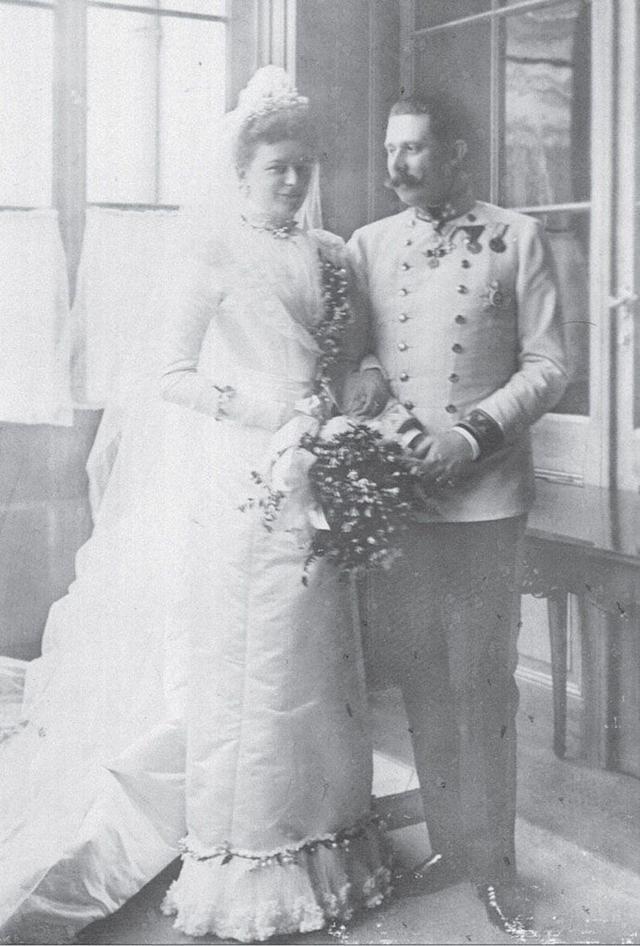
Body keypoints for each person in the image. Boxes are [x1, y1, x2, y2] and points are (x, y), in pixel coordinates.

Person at [0, 67, 391, 944]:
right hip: (242, 480)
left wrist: (359, 382)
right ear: (242, 170)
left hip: (318, 465)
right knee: (257, 663)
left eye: (303, 167)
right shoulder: (212, 253)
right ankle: (253, 855)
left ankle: (326, 839)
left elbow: (354, 353)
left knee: (320, 659)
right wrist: (264, 411)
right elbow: (169, 375)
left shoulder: (332, 256)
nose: (292, 181)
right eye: (277, 167)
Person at [346, 94, 568, 934]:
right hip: (405, 495)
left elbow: (549, 365)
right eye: (390, 149)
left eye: (414, 149)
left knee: (483, 679)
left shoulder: (519, 237)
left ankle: (496, 863)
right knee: (423, 677)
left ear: (458, 152)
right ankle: (448, 844)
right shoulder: (368, 245)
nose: (396, 165)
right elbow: (357, 357)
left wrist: (471, 436)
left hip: (486, 500)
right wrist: (390, 413)